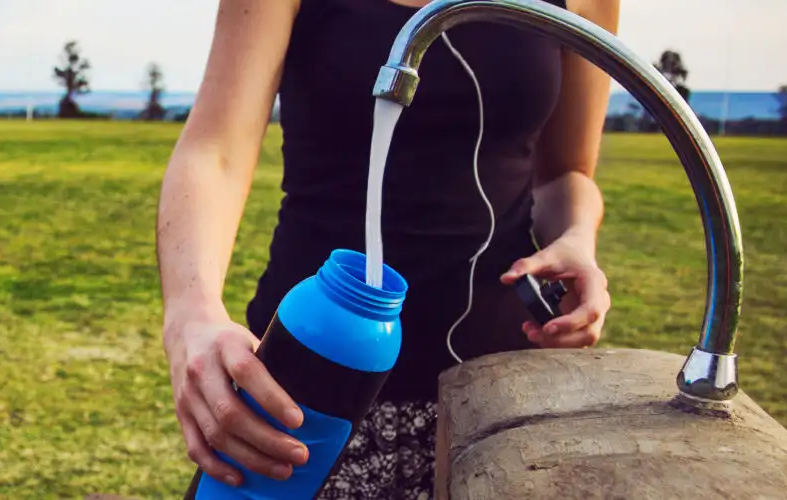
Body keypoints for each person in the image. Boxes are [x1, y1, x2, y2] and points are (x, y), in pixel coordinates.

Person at [155, 0, 620, 497]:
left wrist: (575, 237)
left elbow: (566, 174)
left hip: (500, 391)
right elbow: (217, 152)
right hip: (307, 383)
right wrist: (191, 313)